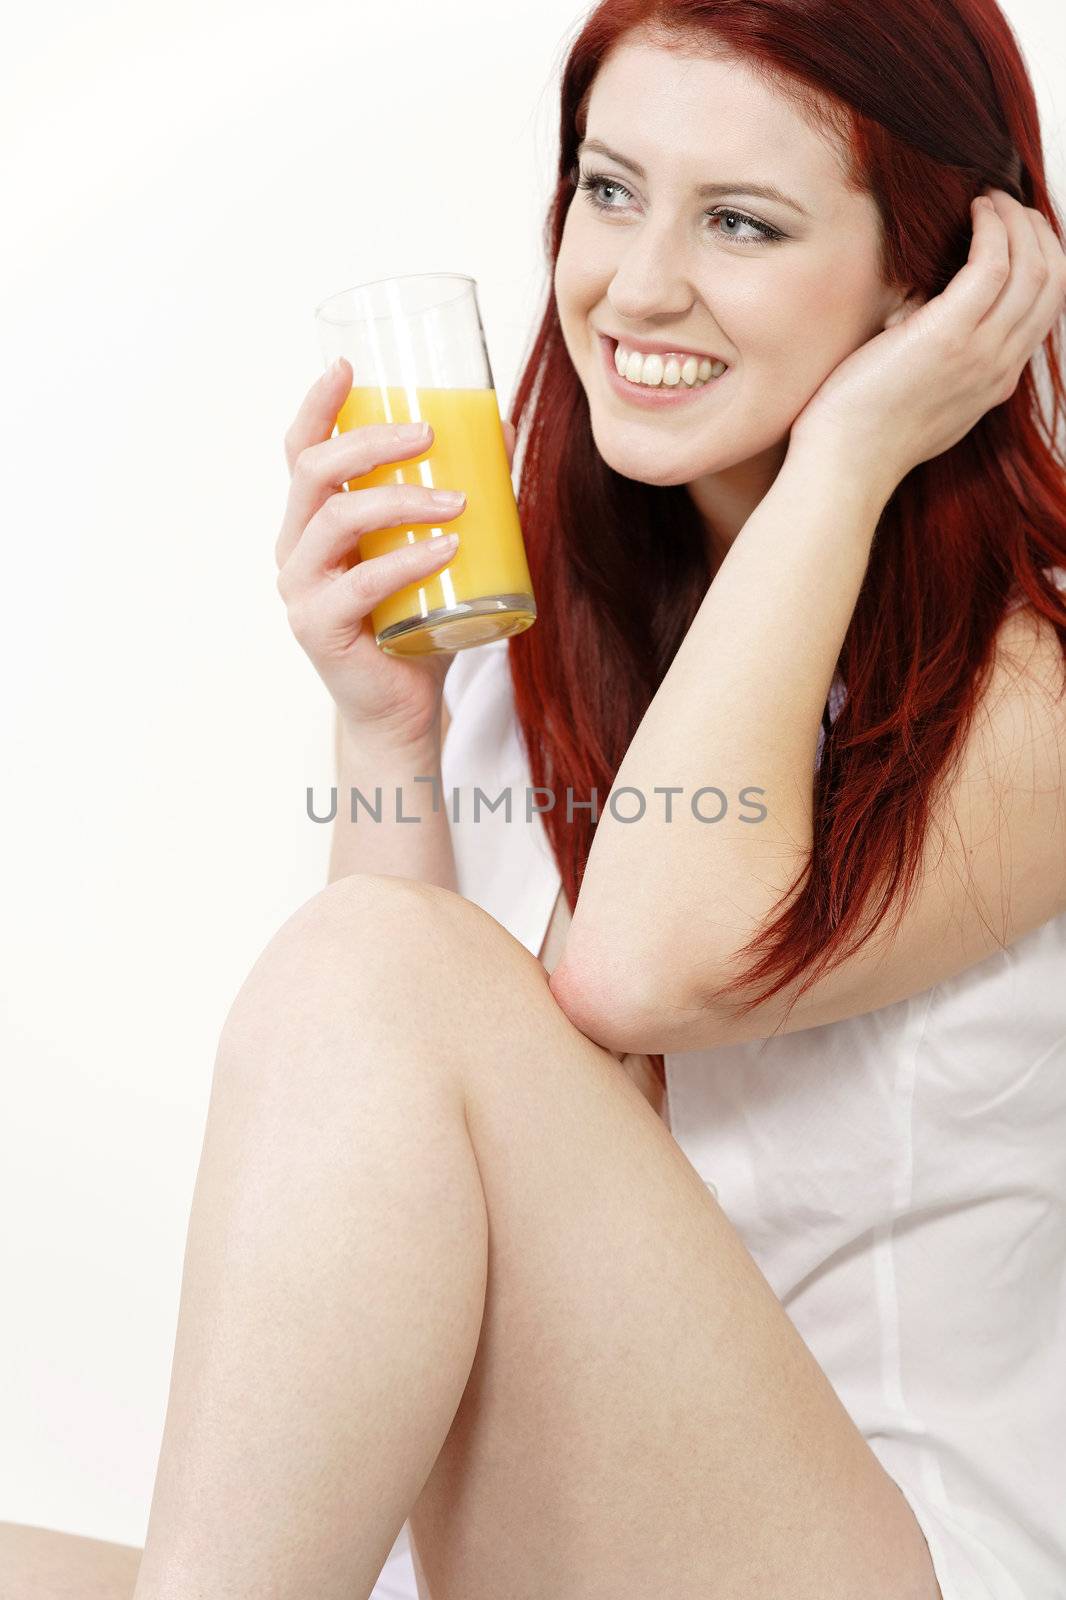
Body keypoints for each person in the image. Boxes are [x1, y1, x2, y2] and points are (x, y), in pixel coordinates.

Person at [5, 1, 1066, 1597]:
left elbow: (634, 970)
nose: (635, 285)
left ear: (931, 276)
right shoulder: (527, 643)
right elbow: (385, 1180)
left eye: (741, 221)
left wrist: (849, 455)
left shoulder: (1031, 681)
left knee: (381, 959)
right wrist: (389, 734)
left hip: (888, 1562)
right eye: (608, 188)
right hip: (531, 1555)